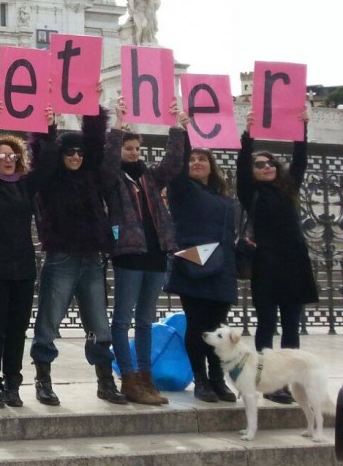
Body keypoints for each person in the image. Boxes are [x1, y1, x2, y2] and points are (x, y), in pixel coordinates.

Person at [28, 105, 126, 406]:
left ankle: (105, 380)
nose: (75, 156)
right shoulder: (50, 179)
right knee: (49, 321)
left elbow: (96, 142)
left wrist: (94, 107)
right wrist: (46, 128)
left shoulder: (91, 176)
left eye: (79, 153)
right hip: (61, 257)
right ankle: (43, 379)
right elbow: (41, 154)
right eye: (69, 152)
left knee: (99, 324)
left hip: (92, 257)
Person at [0, 101, 56, 409]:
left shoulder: (24, 186)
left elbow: (46, 167)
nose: (8, 159)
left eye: (12, 155)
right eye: (2, 155)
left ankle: (13, 383)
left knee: (17, 329)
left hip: (22, 269)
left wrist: (49, 128)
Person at [101, 98, 186, 406]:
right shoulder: (111, 178)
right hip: (128, 254)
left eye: (137, 148)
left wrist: (176, 127)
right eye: (128, 148)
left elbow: (174, 164)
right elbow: (108, 163)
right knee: (123, 320)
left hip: (156, 255)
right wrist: (117, 127)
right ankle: (129, 377)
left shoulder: (150, 177)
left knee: (145, 320)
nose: (134, 153)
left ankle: (146, 379)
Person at [238, 108, 316, 404]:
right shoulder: (251, 193)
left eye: (270, 163)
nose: (267, 166)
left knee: (292, 326)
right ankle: (266, 380)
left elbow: (300, 161)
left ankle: (288, 380)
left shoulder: (289, 188)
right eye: (260, 164)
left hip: (294, 263)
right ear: (254, 171)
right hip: (267, 265)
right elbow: (242, 167)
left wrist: (302, 128)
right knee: (267, 324)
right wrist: (248, 134)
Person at [165, 139, 238, 403]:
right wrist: (182, 131)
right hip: (194, 263)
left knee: (217, 325)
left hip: (222, 265)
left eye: (202, 159)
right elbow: (177, 164)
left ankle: (217, 378)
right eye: (192, 159)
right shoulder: (182, 188)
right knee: (197, 325)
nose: (197, 163)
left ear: (211, 166)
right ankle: (201, 379)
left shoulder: (222, 196)